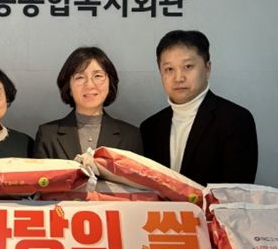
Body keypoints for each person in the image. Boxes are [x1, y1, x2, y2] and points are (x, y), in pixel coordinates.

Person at [140, 30, 258, 185]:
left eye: (188, 66)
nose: (178, 78)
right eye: (169, 69)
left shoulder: (235, 119)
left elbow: (236, 190)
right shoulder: (150, 127)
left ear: (207, 69)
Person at [34, 46, 142, 159]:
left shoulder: (130, 136)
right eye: (80, 77)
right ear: (68, 87)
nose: (90, 85)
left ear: (110, 83)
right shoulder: (47, 135)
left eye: (98, 76)